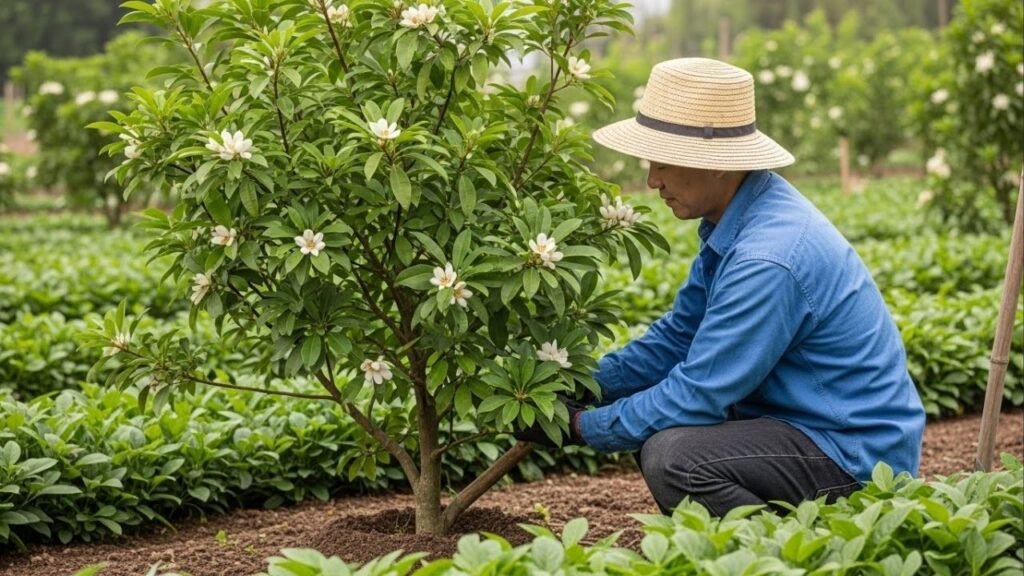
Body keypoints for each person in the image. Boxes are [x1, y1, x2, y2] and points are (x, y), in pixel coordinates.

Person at [513, 57, 926, 517]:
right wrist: (586, 385)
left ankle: (793, 551)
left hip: (853, 456)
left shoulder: (767, 257)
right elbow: (678, 336)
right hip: (803, 425)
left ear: (714, 164)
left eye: (663, 161)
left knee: (674, 458)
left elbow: (698, 393)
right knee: (656, 423)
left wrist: (581, 427)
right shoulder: (740, 218)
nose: (652, 180)